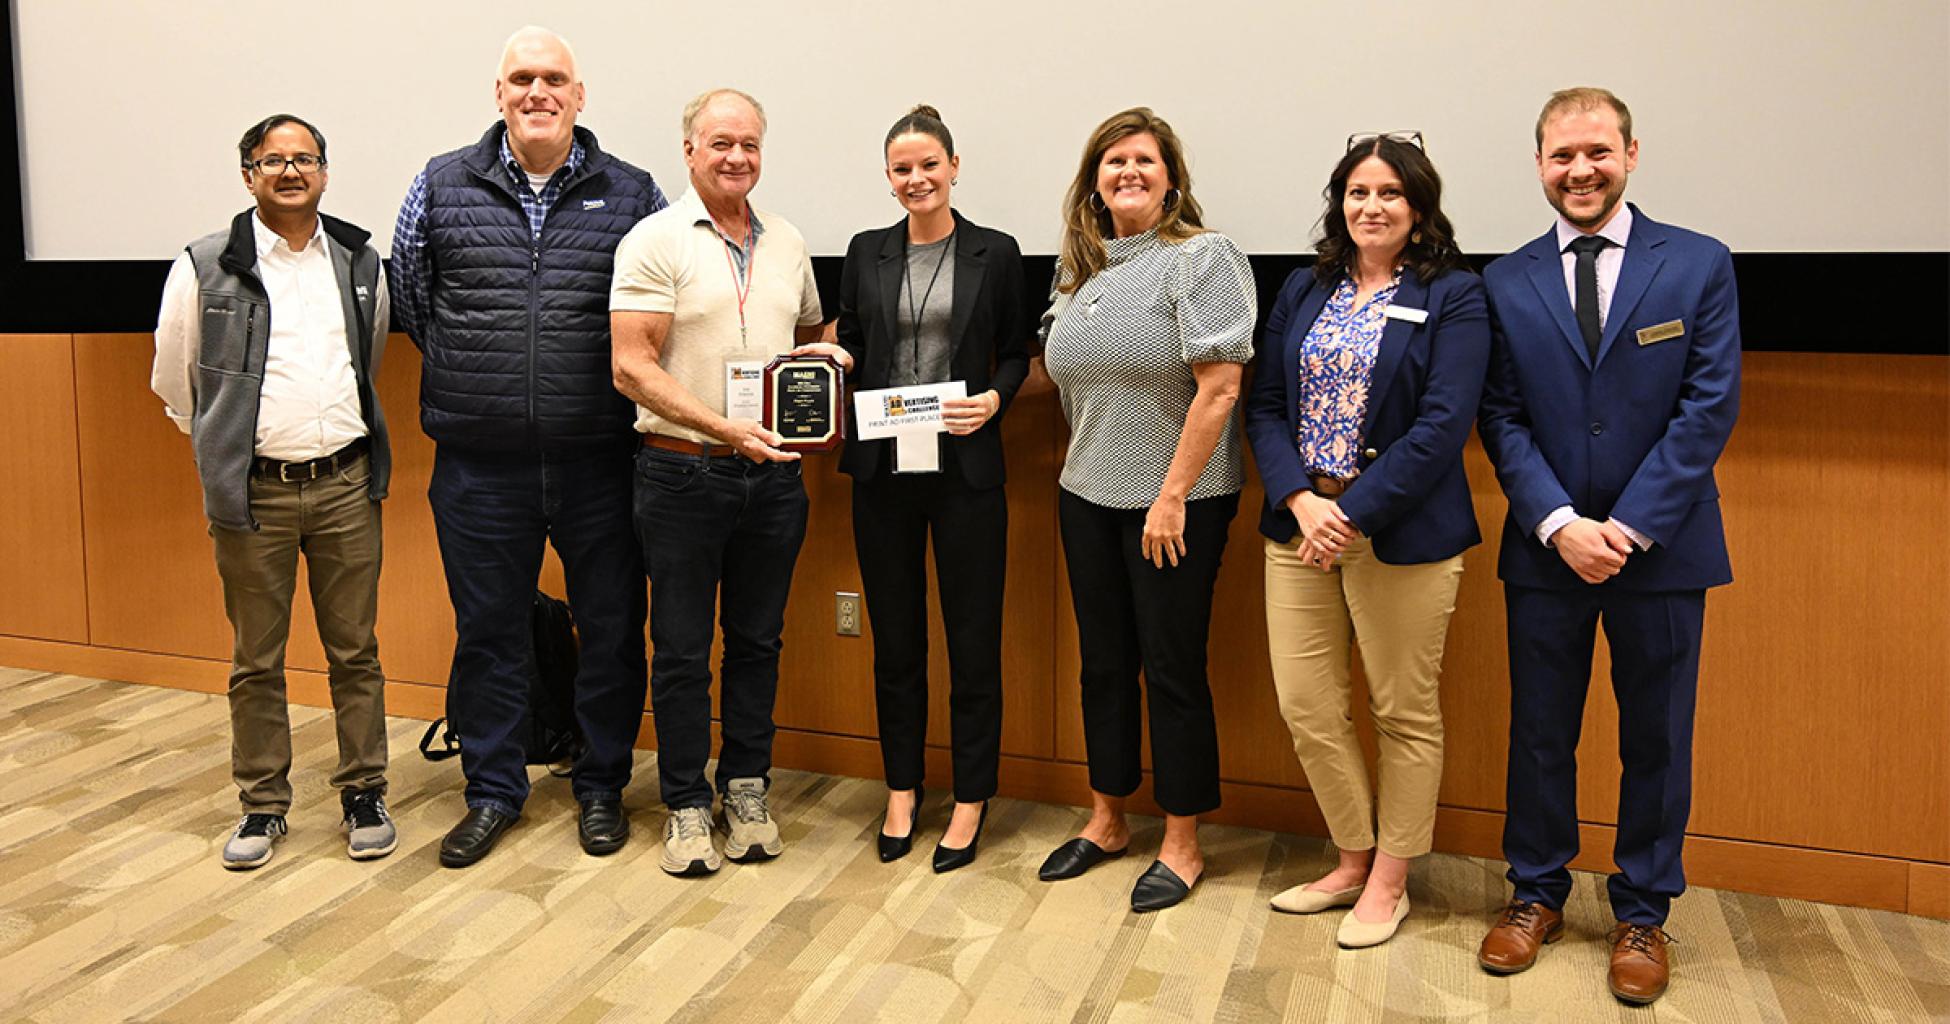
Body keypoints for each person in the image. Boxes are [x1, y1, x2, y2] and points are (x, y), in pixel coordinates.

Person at [1475, 87, 1740, 1005]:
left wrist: (1622, 529)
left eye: (1596, 152)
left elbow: (1709, 409)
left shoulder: (1699, 264)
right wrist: (1558, 523)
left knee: (1656, 736)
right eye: (1560, 156)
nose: (1579, 171)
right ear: (1539, 164)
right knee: (1540, 733)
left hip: (1662, 550)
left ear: (1631, 153)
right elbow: (1501, 416)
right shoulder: (1504, 281)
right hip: (1545, 548)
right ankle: (1534, 894)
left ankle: (1643, 912)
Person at [390, 27, 667, 867]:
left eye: (554, 78)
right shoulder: (439, 184)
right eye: (522, 79)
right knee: (489, 633)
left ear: (580, 96)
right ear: (499, 93)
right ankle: (493, 792)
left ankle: (600, 787)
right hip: (480, 467)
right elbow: (413, 298)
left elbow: (663, 308)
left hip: (601, 461)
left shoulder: (633, 193)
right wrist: (489, 380)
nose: (537, 91)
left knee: (614, 630)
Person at [1244, 133, 1489, 947]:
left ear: (1418, 209)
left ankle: (1391, 878)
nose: (1371, 207)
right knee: (1307, 705)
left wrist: (1348, 513)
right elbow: (1266, 405)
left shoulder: (1454, 294)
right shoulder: (1304, 288)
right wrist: (1298, 498)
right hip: (1298, 525)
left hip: (1399, 530)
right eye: (1357, 192)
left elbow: (1443, 424)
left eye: (1389, 193)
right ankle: (1350, 856)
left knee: (1402, 711)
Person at [152, 114, 395, 870]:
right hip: (254, 496)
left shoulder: (357, 257)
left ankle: (364, 791)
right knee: (256, 659)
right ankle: (262, 804)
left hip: (345, 486)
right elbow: (176, 380)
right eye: (273, 161)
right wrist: (231, 450)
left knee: (355, 651)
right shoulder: (204, 265)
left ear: (324, 171)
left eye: (305, 159)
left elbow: (370, 355)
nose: (291, 172)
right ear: (248, 174)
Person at [1036, 108, 1255, 912]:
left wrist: (1171, 496)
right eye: (1113, 161)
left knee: (1171, 668)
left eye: (1143, 161)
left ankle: (1182, 839)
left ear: (1170, 177)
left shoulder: (1204, 259)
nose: (1128, 172)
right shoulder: (1076, 271)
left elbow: (1221, 385)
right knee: (1101, 663)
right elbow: (1061, 375)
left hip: (1177, 504)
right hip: (1084, 495)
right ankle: (1107, 818)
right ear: (1094, 179)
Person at [610, 88, 829, 877]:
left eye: (750, 144)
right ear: (690, 150)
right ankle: (682, 804)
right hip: (680, 476)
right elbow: (630, 365)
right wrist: (722, 426)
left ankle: (745, 788)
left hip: (772, 482)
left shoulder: (789, 242)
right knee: (679, 649)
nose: (736, 157)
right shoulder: (654, 240)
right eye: (720, 143)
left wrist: (825, 360)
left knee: (758, 642)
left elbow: (804, 334)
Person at [834, 105, 1031, 872]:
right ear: (889, 179)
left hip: (967, 471)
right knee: (897, 642)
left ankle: (973, 796)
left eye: (928, 165)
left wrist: (996, 398)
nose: (916, 179)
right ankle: (903, 789)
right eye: (901, 169)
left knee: (973, 642)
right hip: (883, 470)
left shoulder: (996, 252)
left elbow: (1015, 353)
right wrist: (835, 362)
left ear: (954, 167)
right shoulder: (863, 252)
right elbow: (852, 340)